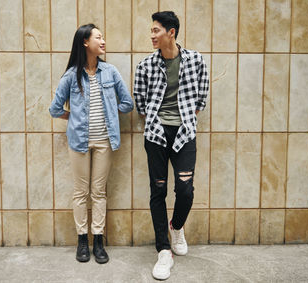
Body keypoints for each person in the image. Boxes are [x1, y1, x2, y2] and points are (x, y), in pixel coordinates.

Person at [133, 11, 209, 280]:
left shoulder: (196, 60)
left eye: (156, 30)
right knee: (158, 191)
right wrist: (158, 123)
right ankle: (164, 251)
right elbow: (140, 104)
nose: (152, 35)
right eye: (152, 31)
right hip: (155, 134)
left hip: (185, 133)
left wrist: (184, 121)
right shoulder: (144, 66)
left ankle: (176, 227)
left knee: (185, 190)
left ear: (171, 32)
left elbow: (201, 98)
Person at [49, 23, 134, 264]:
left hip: (105, 141)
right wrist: (73, 116)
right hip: (79, 142)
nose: (103, 41)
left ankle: (98, 240)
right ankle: (82, 240)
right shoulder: (71, 76)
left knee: (98, 192)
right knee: (80, 192)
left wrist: (110, 114)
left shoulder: (111, 72)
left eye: (103, 36)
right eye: (99, 37)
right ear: (86, 42)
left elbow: (127, 103)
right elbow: (55, 109)